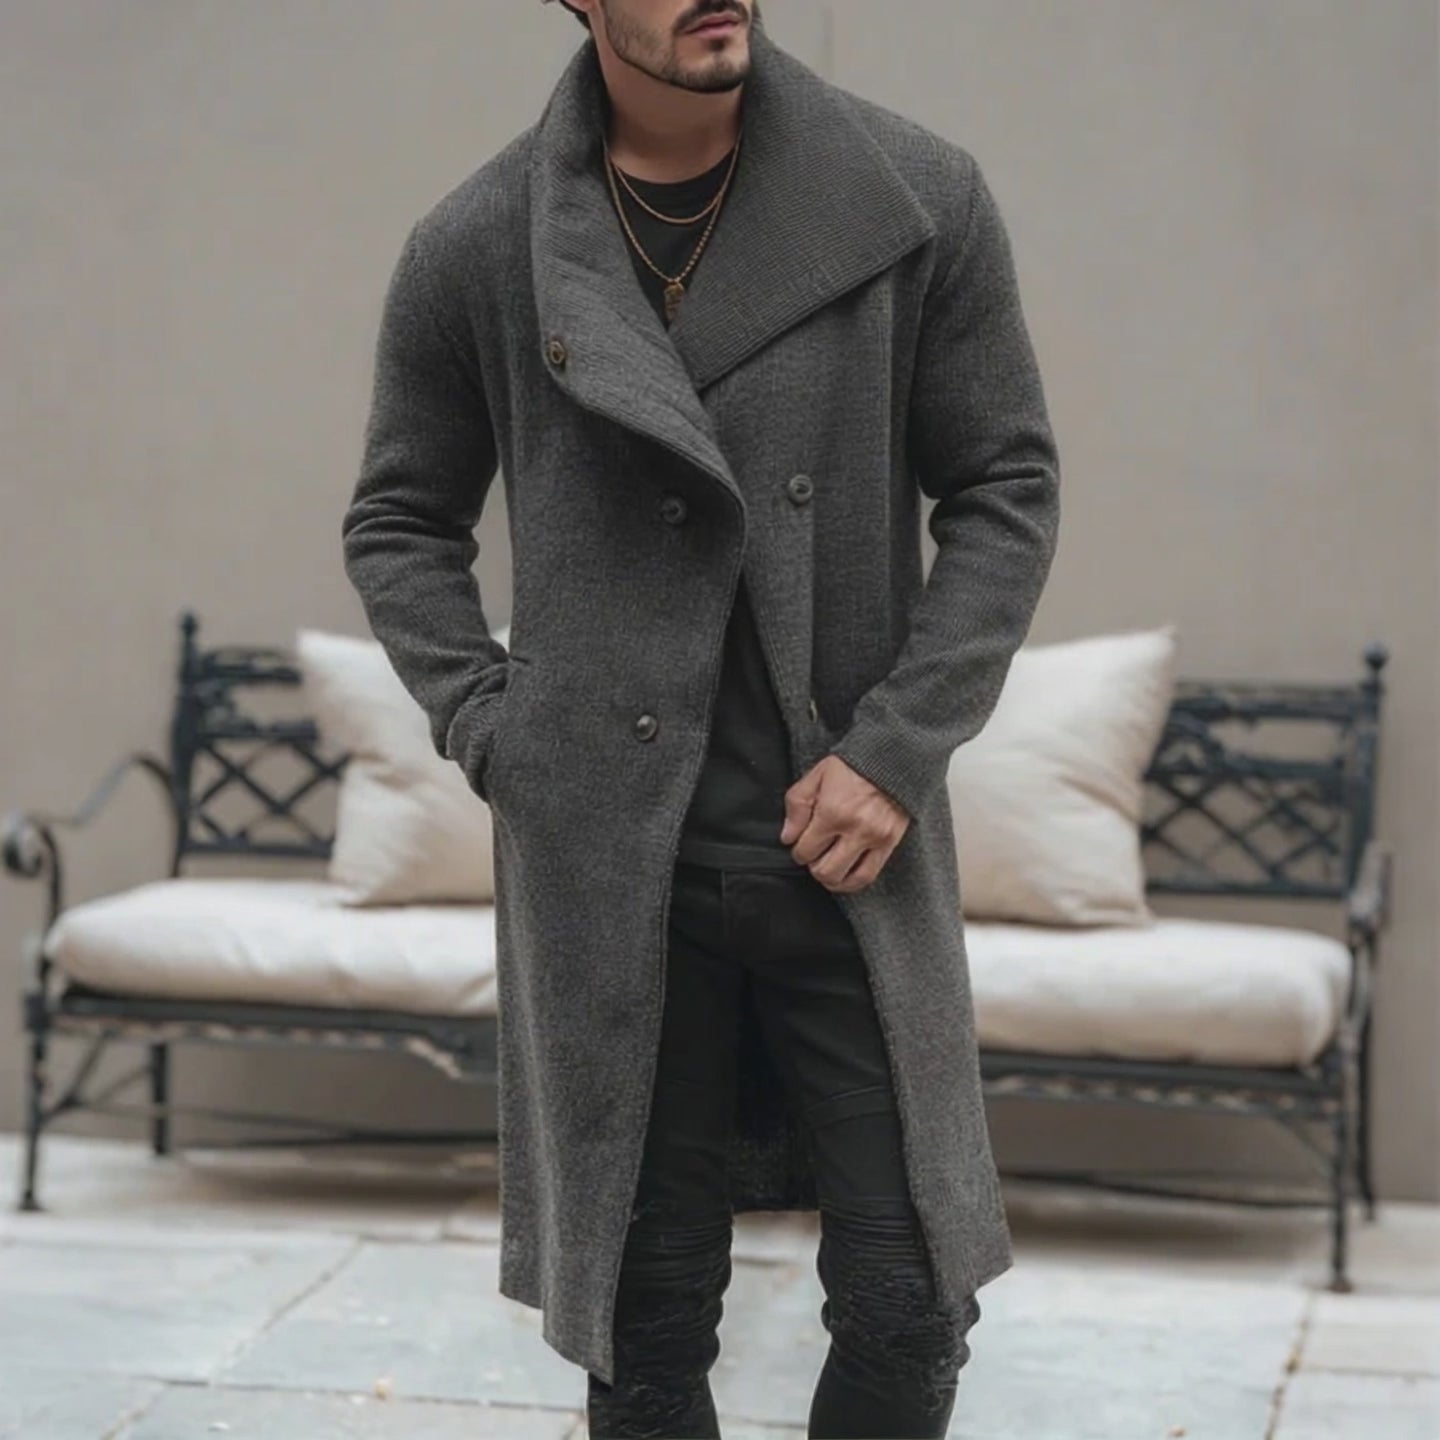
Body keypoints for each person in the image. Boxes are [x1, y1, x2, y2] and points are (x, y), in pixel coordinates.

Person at [342, 2, 1061, 1436]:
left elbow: (1005, 489)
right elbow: (400, 520)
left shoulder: (914, 198)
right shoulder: (481, 242)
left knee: (914, 1299)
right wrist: (494, 729)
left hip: (845, 843)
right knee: (648, 1324)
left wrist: (897, 749)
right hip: (620, 867)